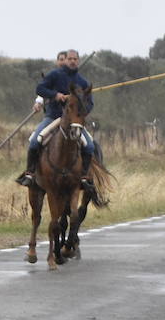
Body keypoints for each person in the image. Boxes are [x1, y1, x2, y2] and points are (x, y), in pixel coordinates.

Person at [15, 48, 104, 204]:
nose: (72, 61)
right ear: (66, 60)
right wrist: (55, 95)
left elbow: (89, 103)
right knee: (35, 141)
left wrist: (81, 112)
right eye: (69, 58)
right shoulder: (54, 75)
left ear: (78, 60)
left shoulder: (82, 82)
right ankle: (30, 174)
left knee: (89, 146)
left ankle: (84, 178)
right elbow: (40, 89)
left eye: (75, 59)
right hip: (53, 117)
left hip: (73, 121)